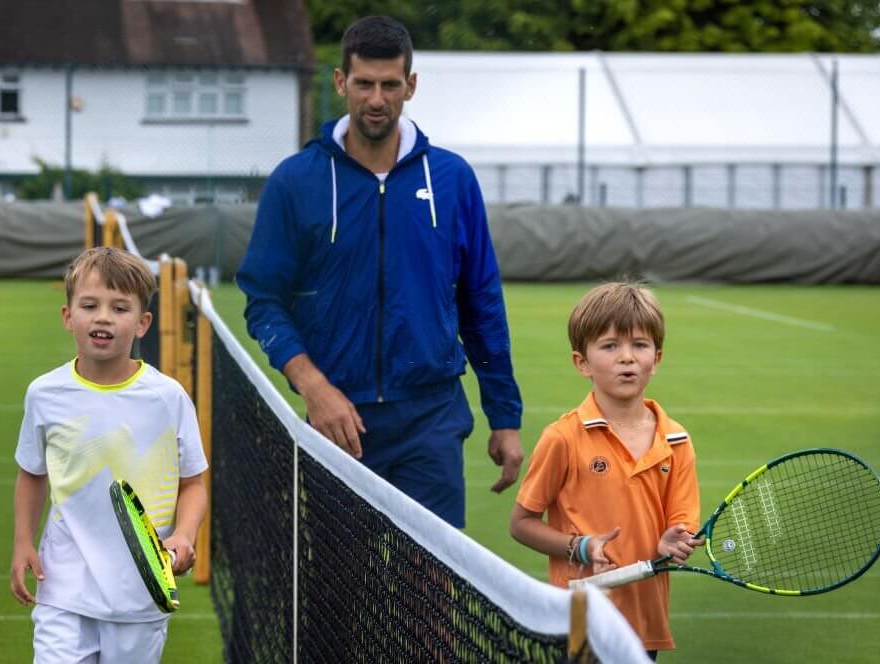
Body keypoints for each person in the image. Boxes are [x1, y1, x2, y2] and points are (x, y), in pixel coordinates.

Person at [236, 15, 523, 528]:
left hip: (431, 420)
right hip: (337, 421)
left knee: (430, 593)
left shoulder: (453, 179)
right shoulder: (295, 181)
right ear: (341, 81)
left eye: (390, 85)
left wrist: (504, 416)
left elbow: (481, 301)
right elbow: (263, 300)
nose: (376, 99)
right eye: (364, 83)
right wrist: (315, 389)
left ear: (410, 86)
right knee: (339, 597)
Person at [10, 247, 208, 663]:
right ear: (68, 316)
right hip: (63, 587)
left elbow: (193, 485)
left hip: (139, 596)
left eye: (120, 308)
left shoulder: (168, 398)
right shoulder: (44, 394)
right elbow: (32, 473)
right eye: (89, 305)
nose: (103, 317)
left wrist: (184, 536)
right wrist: (23, 542)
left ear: (142, 323)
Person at [509, 282, 700, 658]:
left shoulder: (676, 440)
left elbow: (682, 525)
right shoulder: (562, 438)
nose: (627, 357)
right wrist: (580, 547)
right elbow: (521, 523)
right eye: (610, 346)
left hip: (646, 621)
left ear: (656, 358)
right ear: (582, 363)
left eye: (639, 345)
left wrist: (673, 541)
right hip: (583, 613)